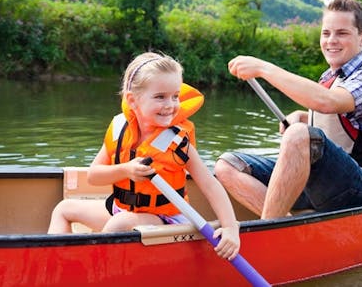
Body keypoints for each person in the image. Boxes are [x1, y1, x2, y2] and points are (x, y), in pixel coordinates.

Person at [214, 0, 362, 219]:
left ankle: (268, 231)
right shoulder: (330, 76)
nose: (331, 40)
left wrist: (264, 69)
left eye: (341, 33)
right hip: (318, 182)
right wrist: (306, 118)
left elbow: (328, 102)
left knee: (297, 135)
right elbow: (343, 122)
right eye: (326, 33)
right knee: (227, 165)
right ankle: (284, 223)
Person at [48, 52, 240, 260]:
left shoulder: (177, 142)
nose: (170, 105)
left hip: (165, 219)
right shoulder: (119, 129)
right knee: (64, 208)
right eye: (160, 97)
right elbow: (94, 176)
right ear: (132, 100)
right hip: (122, 212)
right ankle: (56, 263)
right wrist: (125, 169)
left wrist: (230, 227)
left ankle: (94, 269)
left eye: (175, 96)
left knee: (118, 225)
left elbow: (210, 185)